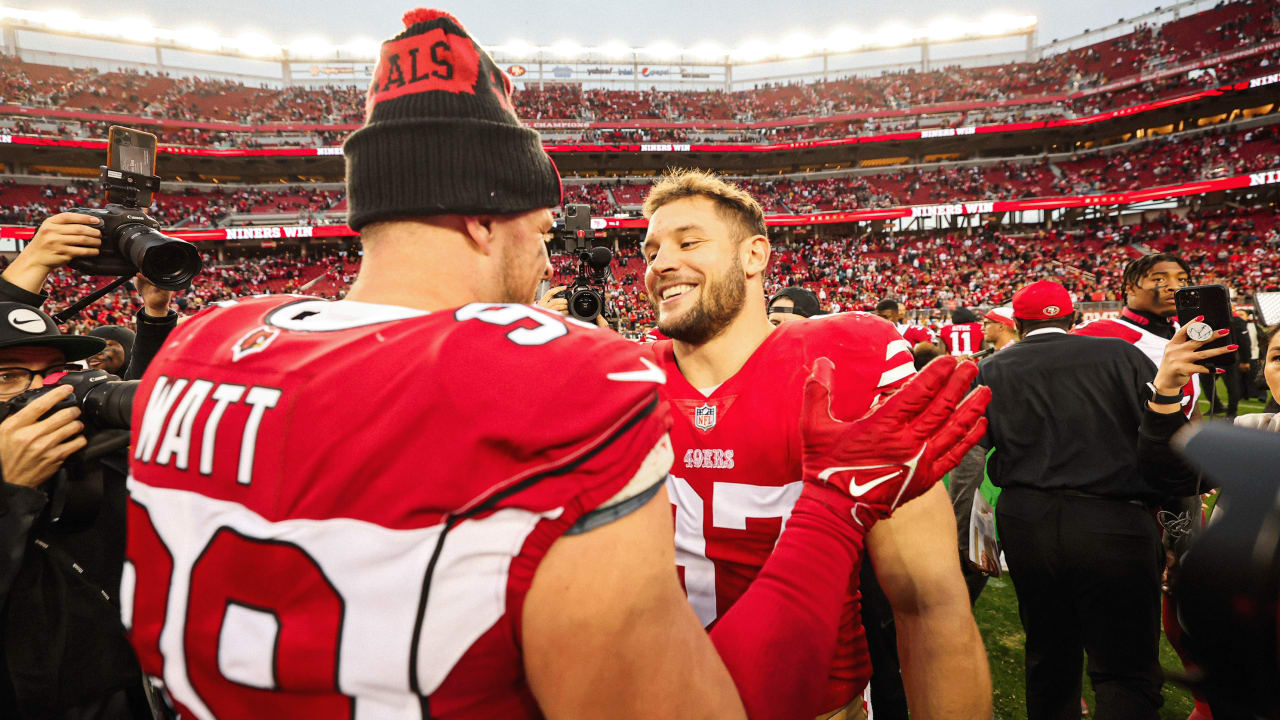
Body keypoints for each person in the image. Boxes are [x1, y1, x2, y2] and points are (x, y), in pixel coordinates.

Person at [123, 10, 988, 719]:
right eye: (543, 233)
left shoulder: (201, 345)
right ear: (482, 218)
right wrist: (833, 506)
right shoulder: (572, 376)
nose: (550, 265)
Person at [641, 169, 991, 719]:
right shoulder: (620, 378)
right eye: (651, 249)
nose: (660, 263)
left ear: (755, 255)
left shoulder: (848, 357)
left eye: (689, 242)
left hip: (815, 704)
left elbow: (928, 602)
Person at [978, 279, 1184, 720]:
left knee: (1049, 656)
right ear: (1073, 318)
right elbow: (1165, 441)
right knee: (1125, 668)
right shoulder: (1120, 354)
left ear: (1017, 322)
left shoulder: (994, 368)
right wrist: (1177, 530)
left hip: (1028, 519)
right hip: (1113, 519)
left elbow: (969, 454)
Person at [0, 303, 152, 718]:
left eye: (52, 374)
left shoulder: (90, 454)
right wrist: (10, 490)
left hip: (124, 693)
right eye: (8, 377)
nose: (40, 393)